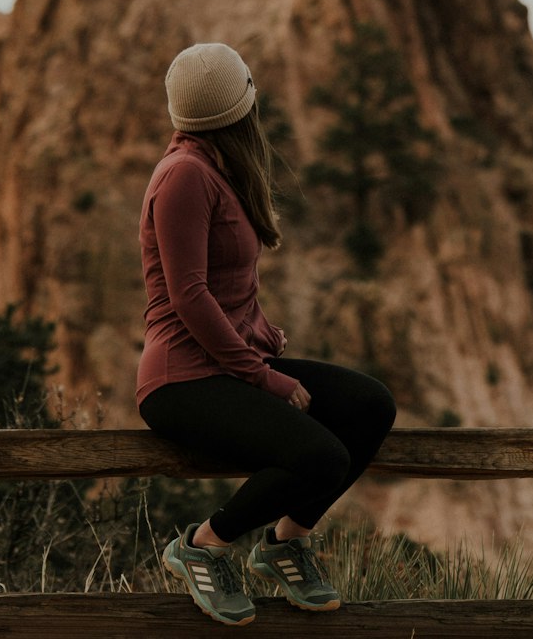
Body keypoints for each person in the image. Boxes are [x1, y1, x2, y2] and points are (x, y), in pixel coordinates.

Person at [136, 42, 397, 627]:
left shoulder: (212, 170)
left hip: (227, 363)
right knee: (321, 456)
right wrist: (265, 379)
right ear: (240, 109)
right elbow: (189, 296)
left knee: (368, 405)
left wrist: (259, 331)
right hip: (183, 379)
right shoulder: (182, 175)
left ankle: (285, 542)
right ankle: (203, 547)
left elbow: (223, 287)